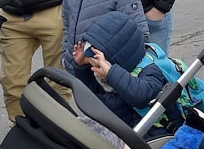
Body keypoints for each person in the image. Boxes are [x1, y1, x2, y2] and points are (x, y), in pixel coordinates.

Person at [72, 10, 182, 139]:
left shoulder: (150, 70)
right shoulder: (107, 77)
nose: (95, 71)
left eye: (97, 67)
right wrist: (81, 66)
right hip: (126, 134)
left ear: (115, 63)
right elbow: (92, 92)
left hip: (155, 136)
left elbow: (141, 95)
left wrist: (111, 74)